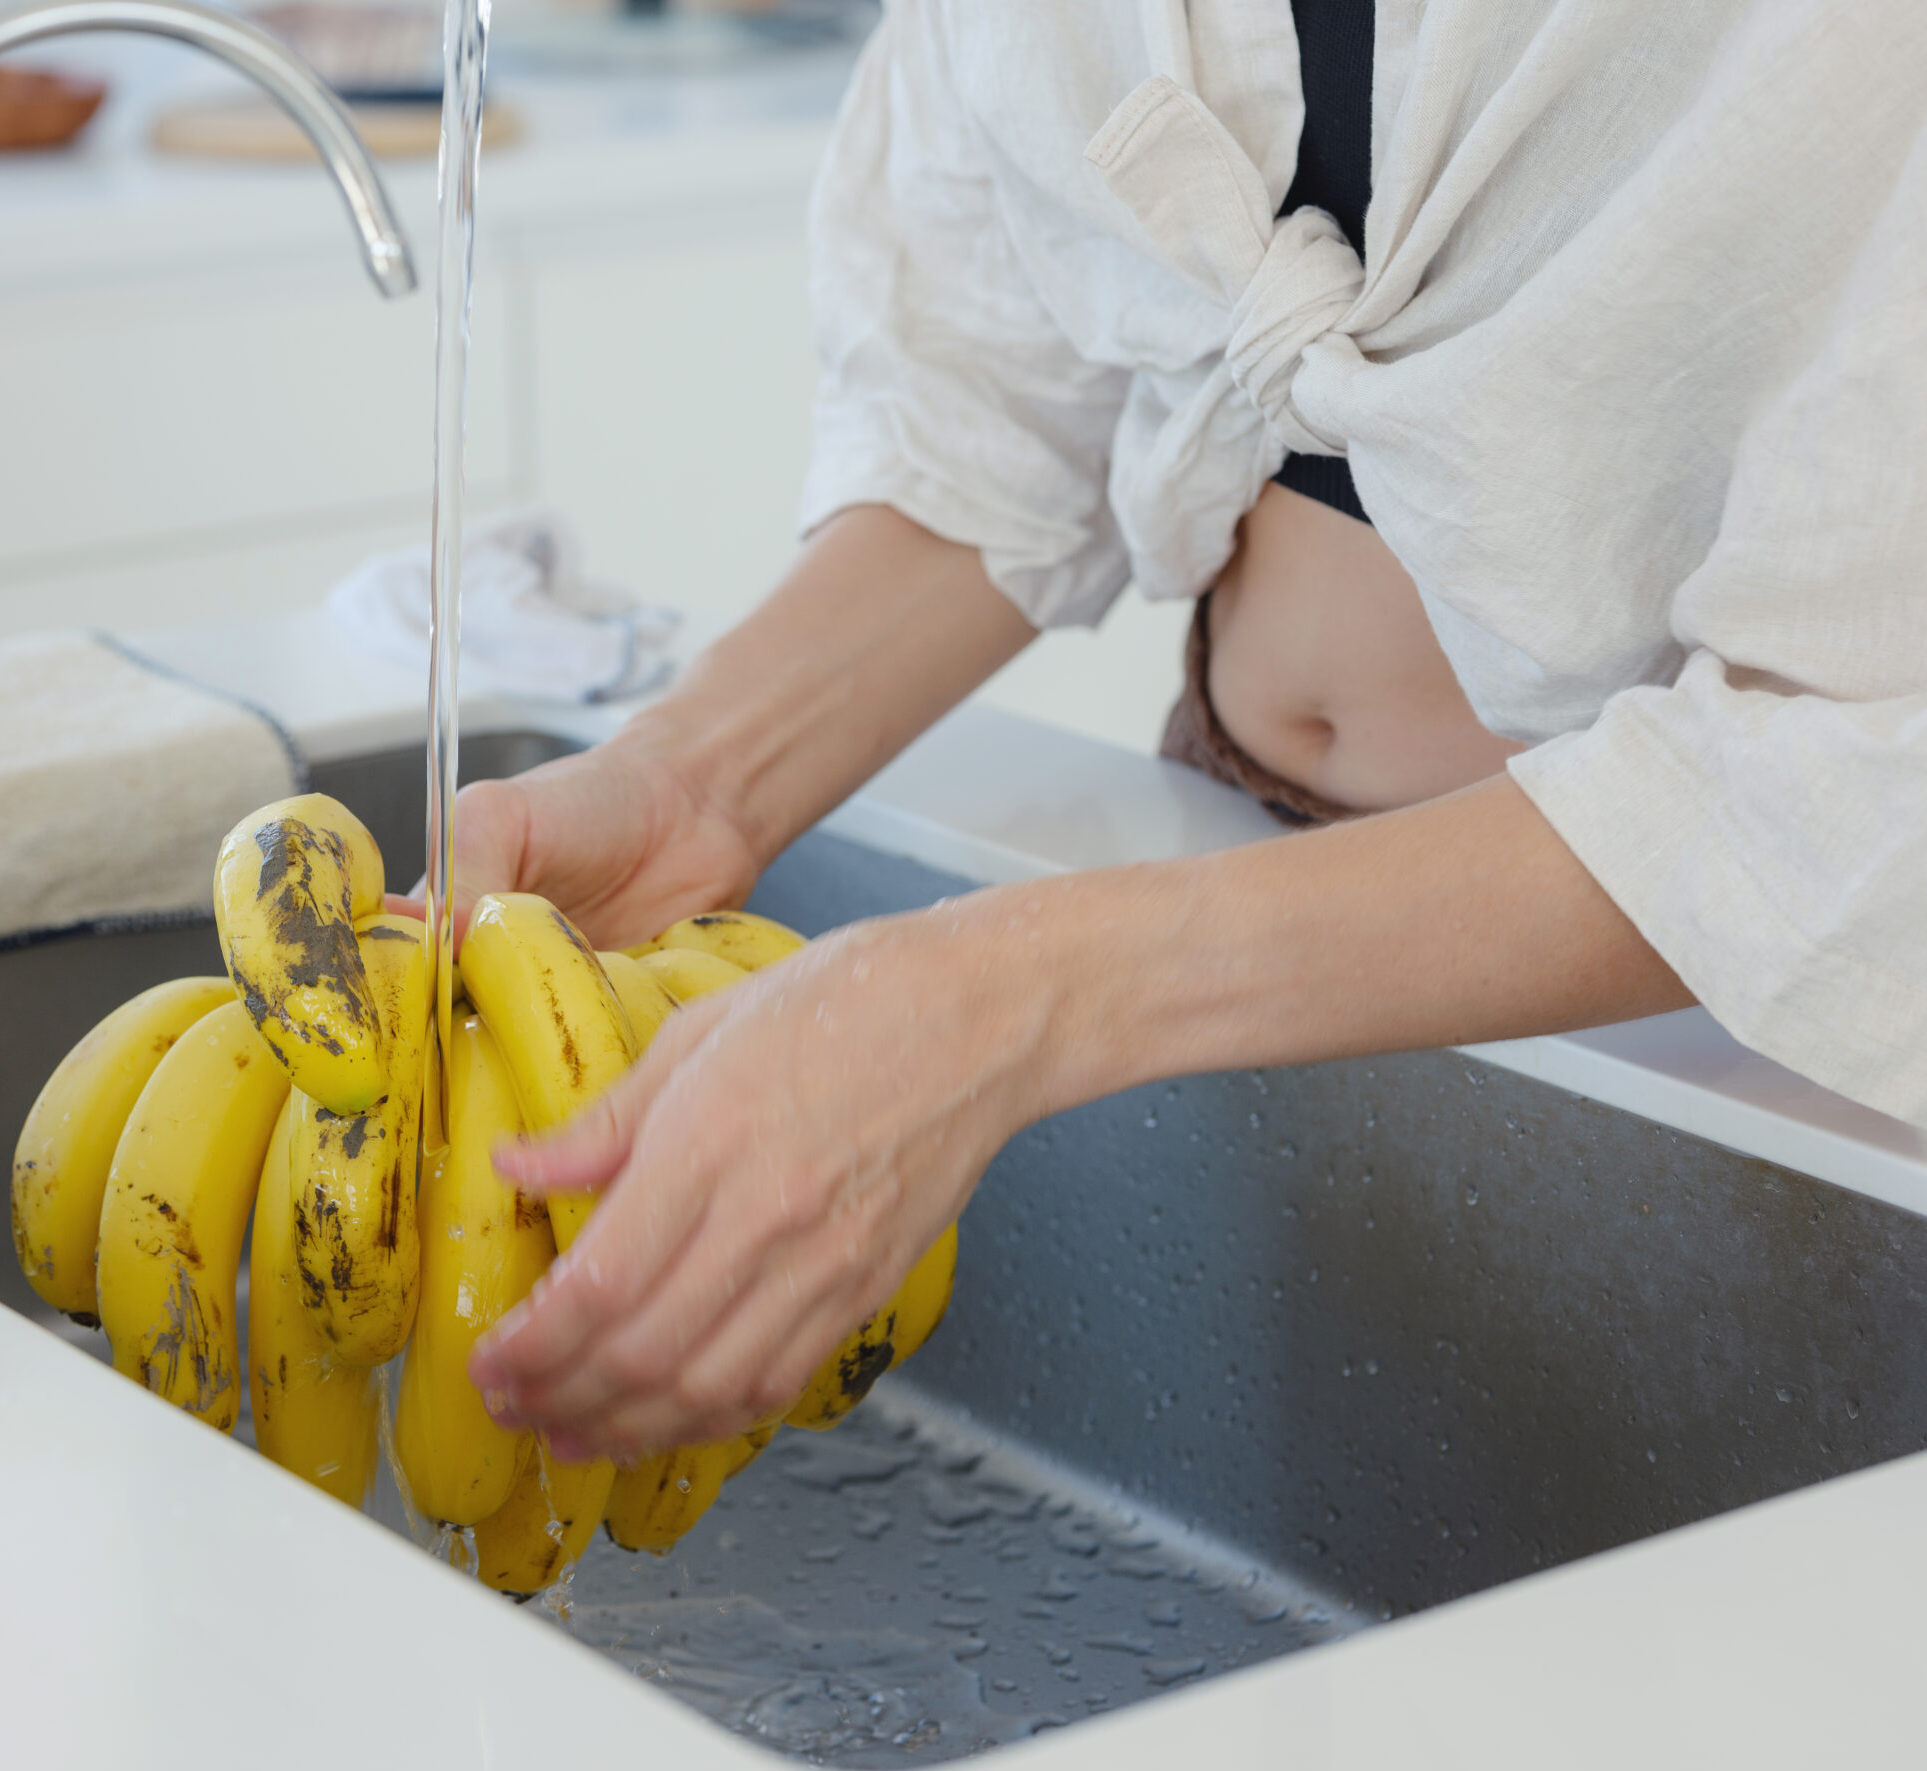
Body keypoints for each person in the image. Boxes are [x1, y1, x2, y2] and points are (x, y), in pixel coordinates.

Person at [447, 0, 1927, 1463]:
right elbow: (1009, 399)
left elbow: (1847, 784)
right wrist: (697, 777)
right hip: (1228, 891)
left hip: (1757, 1032)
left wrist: (1010, 996)